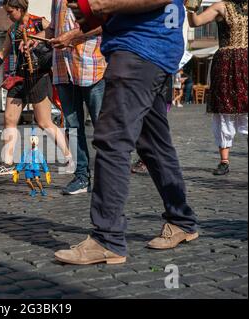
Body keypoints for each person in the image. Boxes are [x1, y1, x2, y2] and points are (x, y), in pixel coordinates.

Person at [55, 0, 199, 265]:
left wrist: (99, 5)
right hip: (148, 51)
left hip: (140, 52)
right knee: (154, 144)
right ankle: (181, 220)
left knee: (112, 140)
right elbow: (115, 14)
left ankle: (106, 239)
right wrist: (80, 31)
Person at [0, 0, 74, 177]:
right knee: (9, 119)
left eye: (10, 12)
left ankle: (69, 157)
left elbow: (55, 37)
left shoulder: (40, 22)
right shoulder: (12, 30)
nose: (8, 15)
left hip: (39, 76)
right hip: (19, 78)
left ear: (20, 9)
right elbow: (2, 53)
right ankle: (7, 163)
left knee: (44, 122)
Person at [44, 0, 106, 195]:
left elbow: (103, 24)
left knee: (103, 129)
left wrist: (70, 37)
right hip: (63, 68)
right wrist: (35, 39)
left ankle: (108, 179)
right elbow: (53, 29)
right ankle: (81, 177)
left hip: (91, 67)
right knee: (72, 127)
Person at [187, 0, 248, 176]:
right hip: (227, 62)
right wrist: (191, 9)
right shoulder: (221, 6)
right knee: (224, 109)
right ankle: (224, 161)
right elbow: (195, 23)